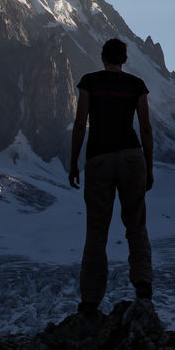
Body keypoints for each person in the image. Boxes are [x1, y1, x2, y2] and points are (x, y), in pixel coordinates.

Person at [69, 38, 154, 315]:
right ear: (124, 59)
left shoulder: (89, 82)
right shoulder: (136, 85)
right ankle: (143, 287)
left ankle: (90, 301)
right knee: (136, 225)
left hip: (99, 159)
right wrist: (149, 166)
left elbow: (81, 124)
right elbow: (145, 127)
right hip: (132, 157)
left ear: (103, 57)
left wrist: (73, 162)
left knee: (96, 231)